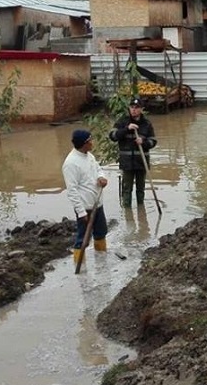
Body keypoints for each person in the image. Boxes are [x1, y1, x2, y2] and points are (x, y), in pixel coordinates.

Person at [62, 129, 109, 265]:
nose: (92, 143)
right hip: (85, 208)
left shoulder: (89, 156)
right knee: (83, 239)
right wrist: (81, 212)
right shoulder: (70, 163)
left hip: (97, 204)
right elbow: (72, 191)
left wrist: (101, 177)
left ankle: (102, 263)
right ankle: (80, 269)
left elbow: (98, 168)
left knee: (101, 233)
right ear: (84, 144)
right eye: (90, 141)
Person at [109, 97, 157, 208]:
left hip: (141, 162)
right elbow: (113, 136)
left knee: (141, 189)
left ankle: (141, 212)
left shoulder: (146, 124)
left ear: (141, 109)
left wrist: (143, 142)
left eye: (136, 107)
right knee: (127, 190)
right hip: (127, 163)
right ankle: (128, 214)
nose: (134, 110)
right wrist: (126, 129)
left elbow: (153, 141)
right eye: (132, 107)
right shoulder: (122, 121)